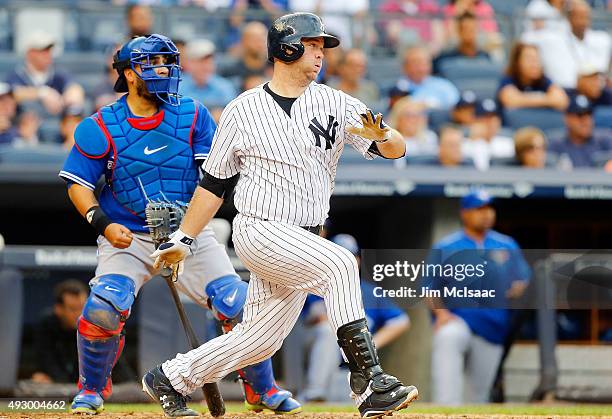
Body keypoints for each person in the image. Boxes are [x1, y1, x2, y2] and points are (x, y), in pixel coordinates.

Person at [145, 12, 419, 419]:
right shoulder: (243, 109)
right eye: (312, 45)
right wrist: (183, 239)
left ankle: (172, 377)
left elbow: (395, 149)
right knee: (341, 263)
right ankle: (368, 381)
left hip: (304, 236)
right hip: (260, 229)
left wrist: (384, 135)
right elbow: (214, 185)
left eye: (322, 47)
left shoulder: (337, 103)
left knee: (259, 341)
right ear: (286, 48)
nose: (320, 55)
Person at [59, 34, 300, 416]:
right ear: (127, 73)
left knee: (238, 305)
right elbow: (79, 184)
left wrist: (189, 230)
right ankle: (91, 391)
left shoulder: (192, 113)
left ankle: (262, 389)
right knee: (104, 308)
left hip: (188, 232)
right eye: (151, 64)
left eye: (166, 62)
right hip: (129, 236)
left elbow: (214, 175)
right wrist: (101, 223)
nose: (163, 70)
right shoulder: (101, 124)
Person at [425, 190, 530, 405]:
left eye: (489, 208)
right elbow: (428, 287)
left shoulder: (506, 245)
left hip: (494, 326)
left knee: (479, 396)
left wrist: (518, 289)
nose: (486, 214)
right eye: (479, 209)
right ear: (465, 213)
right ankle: (445, 408)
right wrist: (442, 315)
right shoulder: (446, 246)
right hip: (459, 319)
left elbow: (522, 280)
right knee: (448, 337)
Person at [300, 234, 410, 402]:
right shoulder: (314, 286)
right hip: (312, 355)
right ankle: (314, 392)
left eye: (350, 256)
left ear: (357, 260)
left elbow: (401, 321)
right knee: (327, 331)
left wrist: (370, 345)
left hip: (350, 367)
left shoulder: (370, 291)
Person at [523, 0, 611, 89]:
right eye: (579, 17)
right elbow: (526, 39)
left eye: (586, 17)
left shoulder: (600, 39)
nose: (583, 22)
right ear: (570, 18)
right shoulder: (553, 38)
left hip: (594, 92)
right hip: (567, 91)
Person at [5, 30, 85, 116]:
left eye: (49, 50)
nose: (47, 54)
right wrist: (43, 92)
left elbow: (74, 87)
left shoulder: (58, 74)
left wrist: (71, 97)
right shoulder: (17, 75)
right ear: (29, 53)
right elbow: (12, 92)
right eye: (42, 51)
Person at [31, 280, 89, 384]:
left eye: (83, 308)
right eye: (73, 309)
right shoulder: (47, 325)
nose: (80, 314)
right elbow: (47, 361)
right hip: (59, 384)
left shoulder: (94, 325)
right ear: (58, 309)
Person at [497, 42, 568, 112]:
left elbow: (562, 100)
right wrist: (547, 98)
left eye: (537, 59)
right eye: (529, 59)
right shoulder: (509, 79)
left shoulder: (543, 80)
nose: (535, 64)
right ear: (517, 62)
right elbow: (511, 100)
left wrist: (523, 99)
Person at [180, 39, 237, 122]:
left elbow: (235, 118)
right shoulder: (177, 87)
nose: (206, 66)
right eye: (200, 61)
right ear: (188, 63)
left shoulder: (225, 87)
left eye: (209, 61)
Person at [548, 94, 612, 168]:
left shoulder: (605, 141)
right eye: (580, 116)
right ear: (567, 118)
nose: (586, 121)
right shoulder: (556, 145)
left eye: (589, 115)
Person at [395, 45, 460, 110]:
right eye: (416, 63)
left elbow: (457, 108)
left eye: (424, 63)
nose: (421, 68)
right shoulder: (398, 88)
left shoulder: (443, 86)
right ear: (405, 67)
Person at [462, 99, 514, 170]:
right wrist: (476, 141)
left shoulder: (508, 144)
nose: (490, 122)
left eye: (493, 117)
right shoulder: (462, 145)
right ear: (474, 120)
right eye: (485, 117)